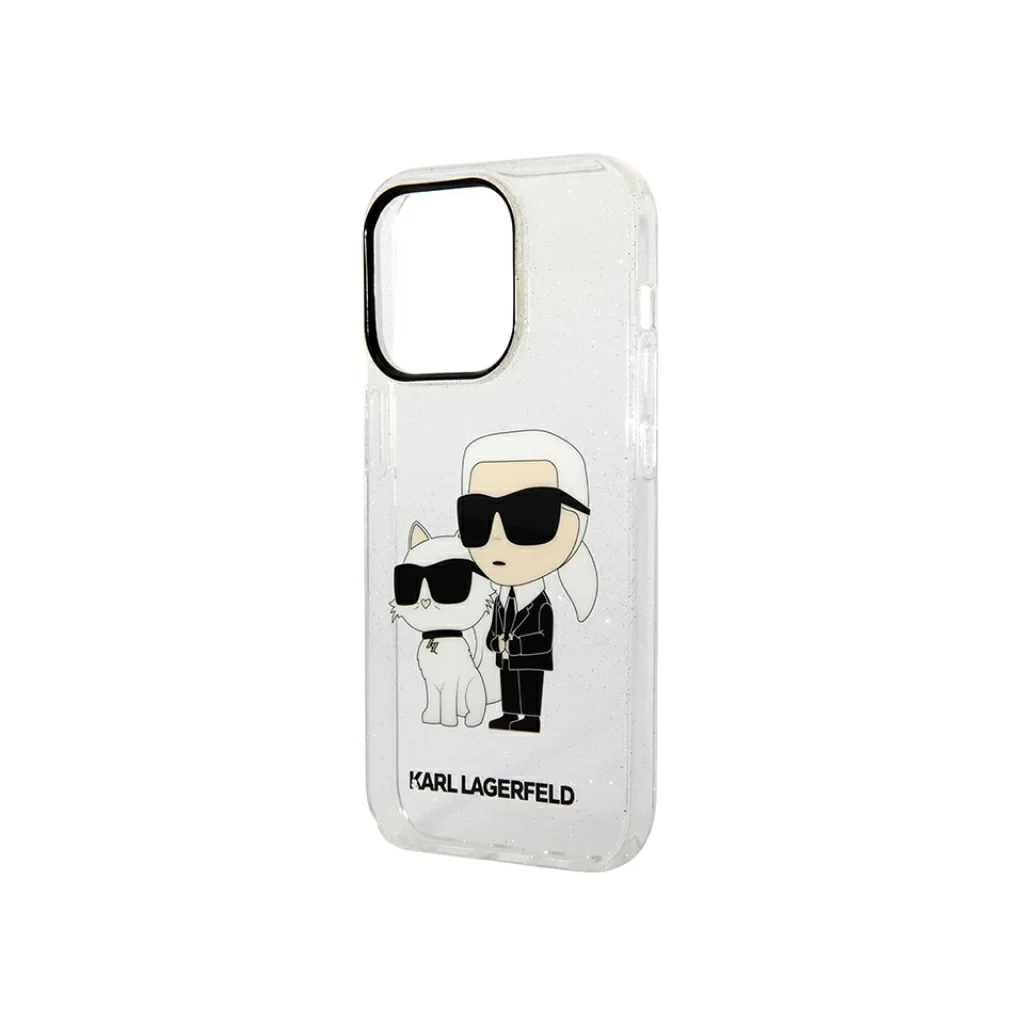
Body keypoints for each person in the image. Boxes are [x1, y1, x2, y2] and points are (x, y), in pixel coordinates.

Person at [457, 430, 598, 733]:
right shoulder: (500, 599)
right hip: (506, 657)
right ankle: (510, 714)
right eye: (477, 516)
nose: (497, 535)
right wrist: (495, 642)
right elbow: (494, 628)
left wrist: (515, 643)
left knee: (530, 686)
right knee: (508, 683)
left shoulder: (539, 603)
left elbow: (543, 635)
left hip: (530, 658)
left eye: (531, 514)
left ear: (576, 523)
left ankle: (530, 717)